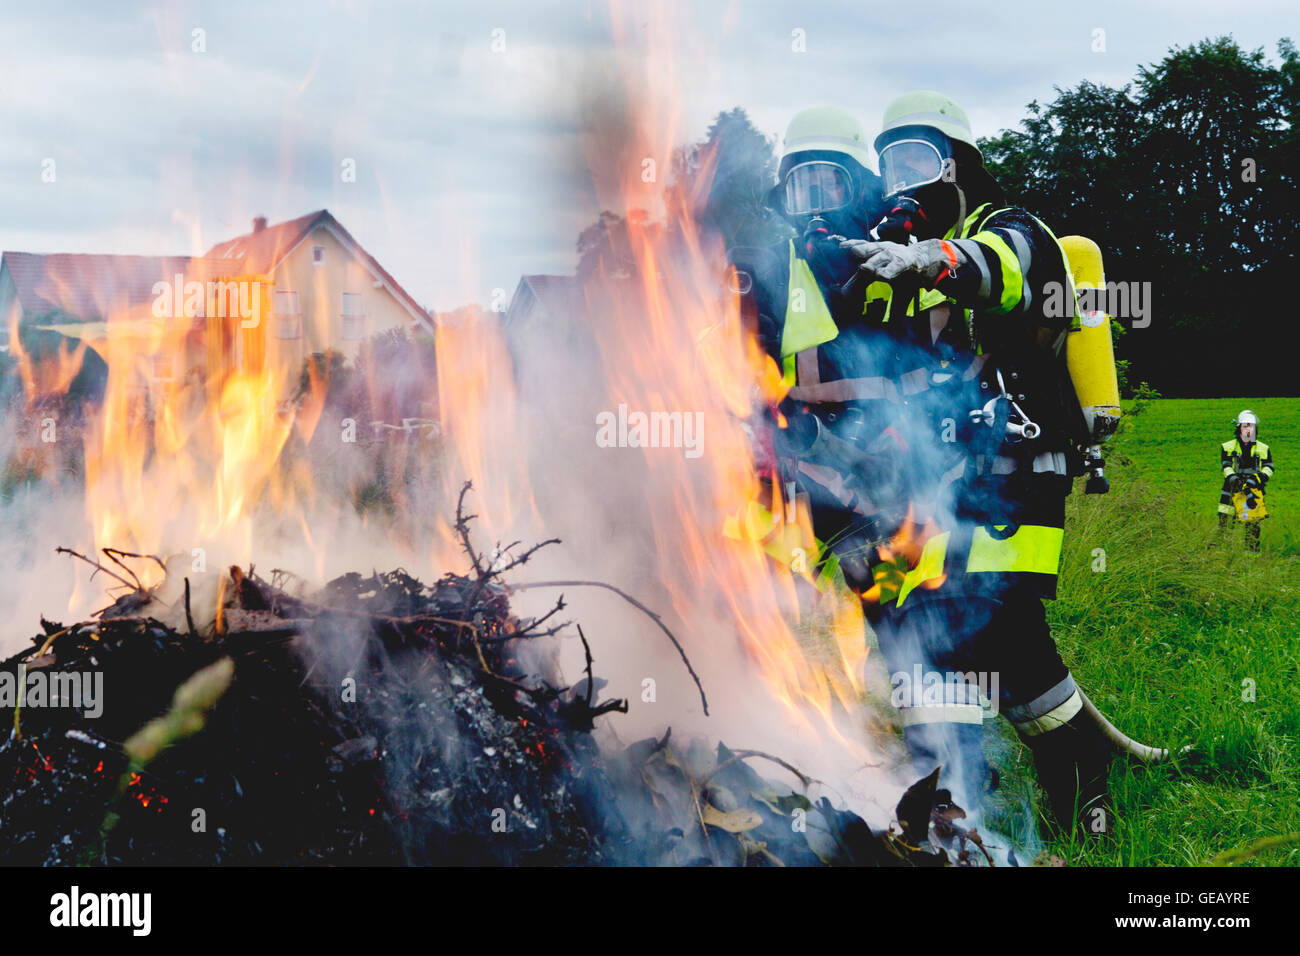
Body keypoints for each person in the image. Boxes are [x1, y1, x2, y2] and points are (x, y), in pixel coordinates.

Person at [838, 91, 1112, 833]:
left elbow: (1004, 268)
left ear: (958, 164)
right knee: (933, 618)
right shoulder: (917, 264)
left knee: (1005, 634)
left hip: (1020, 472)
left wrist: (935, 257)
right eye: (890, 162)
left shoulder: (1009, 228)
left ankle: (1084, 774)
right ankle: (961, 783)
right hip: (961, 480)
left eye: (918, 159)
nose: (904, 179)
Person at [1218, 410, 1273, 552]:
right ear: (1239, 428)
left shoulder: (1264, 448)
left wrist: (1256, 480)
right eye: (1245, 426)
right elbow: (1226, 465)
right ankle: (1224, 552)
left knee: (1253, 525)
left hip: (1253, 490)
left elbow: (1269, 468)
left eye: (1251, 427)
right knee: (1225, 521)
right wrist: (1234, 479)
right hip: (1231, 489)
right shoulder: (1227, 446)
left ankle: (1252, 555)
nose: (1248, 430)